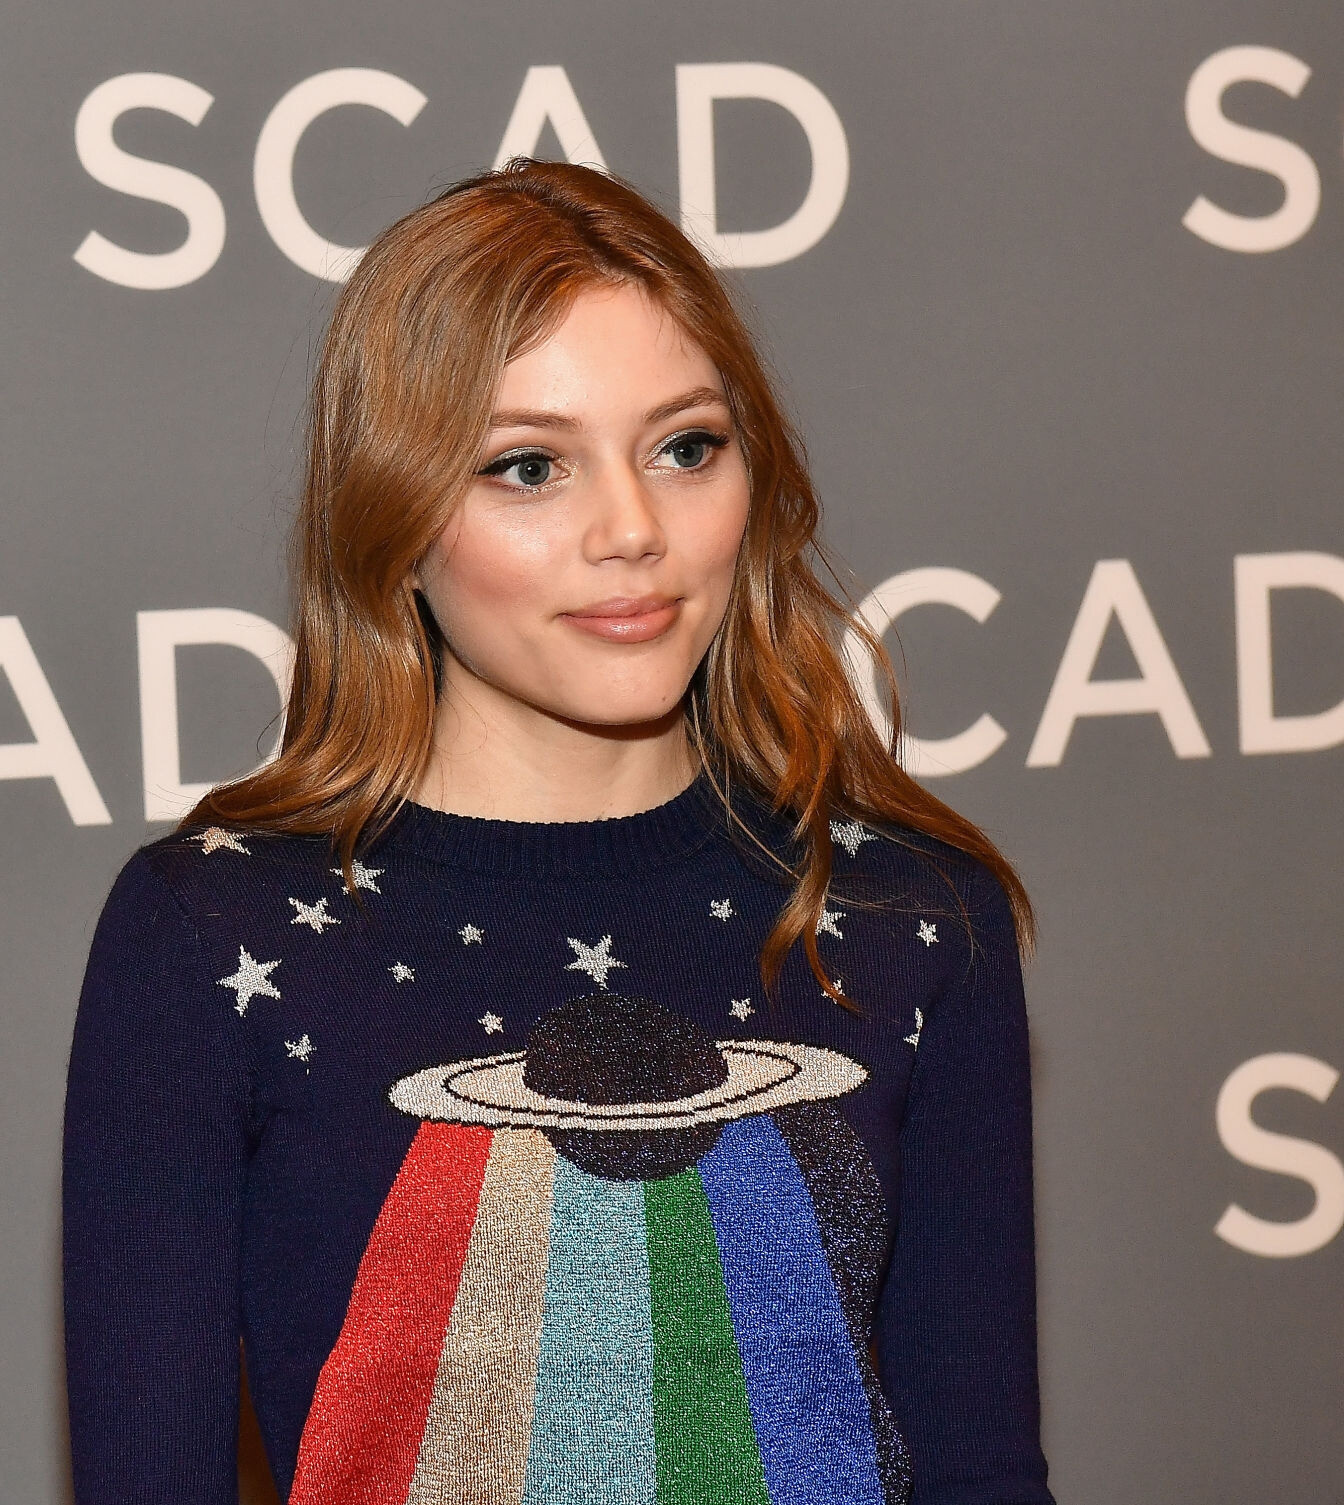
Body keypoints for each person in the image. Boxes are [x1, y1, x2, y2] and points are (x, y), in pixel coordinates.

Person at [61, 159, 1053, 1505]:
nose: (634, 530)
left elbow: (983, 1471)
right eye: (528, 467)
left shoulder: (912, 912)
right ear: (395, 520)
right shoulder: (211, 935)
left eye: (686, 447)